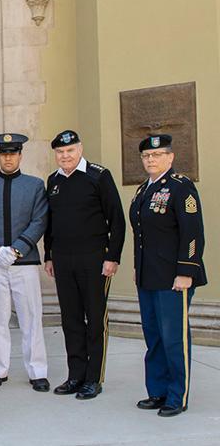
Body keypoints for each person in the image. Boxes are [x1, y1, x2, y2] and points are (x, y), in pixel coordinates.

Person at [44, 130, 125, 400]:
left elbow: (117, 220)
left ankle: (93, 378)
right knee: (71, 319)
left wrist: (112, 257)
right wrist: (49, 255)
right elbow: (50, 223)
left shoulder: (98, 176)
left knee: (95, 319)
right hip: (64, 259)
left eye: (69, 151)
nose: (65, 156)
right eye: (60, 152)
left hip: (94, 259)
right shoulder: (53, 180)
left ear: (80, 149)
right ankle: (75, 375)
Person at [129, 134, 207, 417]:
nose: (151, 159)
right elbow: (141, 236)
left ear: (170, 157)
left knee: (174, 338)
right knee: (154, 337)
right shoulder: (143, 190)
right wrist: (138, 267)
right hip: (149, 275)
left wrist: (187, 271)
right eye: (147, 156)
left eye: (157, 155)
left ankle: (177, 395)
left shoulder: (180, 187)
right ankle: (158, 391)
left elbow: (193, 233)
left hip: (174, 277)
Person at [0, 133, 50, 391]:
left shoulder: (35, 185)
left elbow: (39, 220)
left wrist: (16, 250)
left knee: (31, 317)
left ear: (20, 155)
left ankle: (37, 370)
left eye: (13, 153)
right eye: (4, 153)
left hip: (24, 262)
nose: (8, 157)